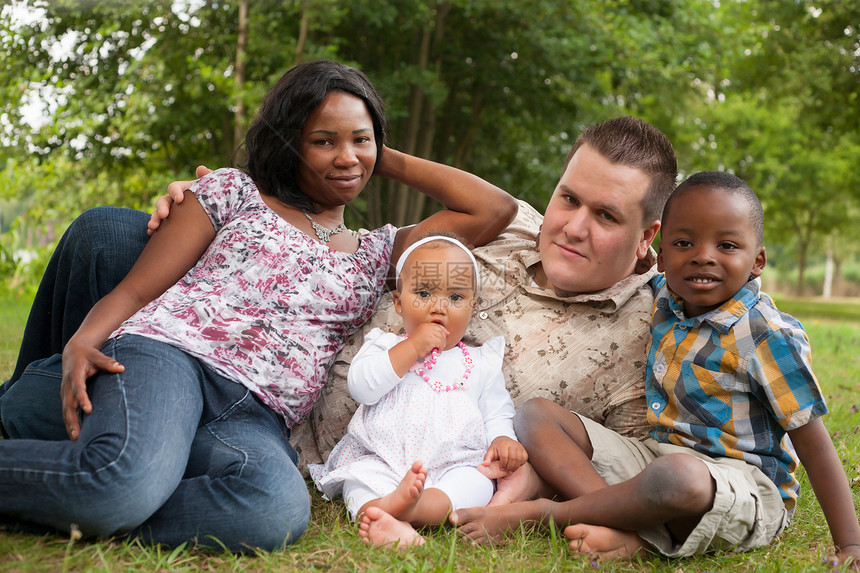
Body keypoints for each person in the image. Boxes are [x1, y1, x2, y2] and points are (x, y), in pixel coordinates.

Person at [2, 116, 677, 504]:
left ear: (648, 237)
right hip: (244, 323)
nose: (572, 227)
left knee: (209, 480)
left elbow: (653, 455)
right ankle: (45, 401)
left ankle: (102, 451)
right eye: (569, 199)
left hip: (278, 413)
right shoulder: (514, 226)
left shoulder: (646, 337)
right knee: (106, 233)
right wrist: (366, 152)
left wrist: (618, 519)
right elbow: (493, 205)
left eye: (607, 216)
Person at [0, 60, 517, 551]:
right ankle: (118, 486)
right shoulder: (234, 192)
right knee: (122, 482)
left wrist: (378, 152)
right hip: (171, 359)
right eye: (323, 141)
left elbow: (494, 209)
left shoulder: (379, 252)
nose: (346, 157)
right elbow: (138, 290)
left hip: (255, 416)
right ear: (289, 145)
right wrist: (83, 339)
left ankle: (114, 488)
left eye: (360, 139)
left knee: (274, 510)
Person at [451, 172, 860, 569]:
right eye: (684, 243)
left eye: (727, 245)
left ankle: (547, 514)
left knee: (680, 477)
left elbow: (814, 443)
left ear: (758, 261)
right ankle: (619, 525)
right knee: (535, 415)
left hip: (741, 483)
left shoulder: (766, 334)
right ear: (661, 257)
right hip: (654, 458)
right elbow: (624, 260)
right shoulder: (665, 297)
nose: (703, 255)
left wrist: (850, 542)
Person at [309, 235, 526, 548]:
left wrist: (504, 439)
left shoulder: (480, 363)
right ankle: (382, 510)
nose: (439, 306)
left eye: (455, 297)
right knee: (360, 480)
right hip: (382, 457)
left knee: (476, 483)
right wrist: (411, 347)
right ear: (399, 303)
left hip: (454, 462)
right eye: (423, 293)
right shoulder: (385, 346)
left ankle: (412, 509)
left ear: (472, 307)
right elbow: (362, 388)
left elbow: (497, 411)